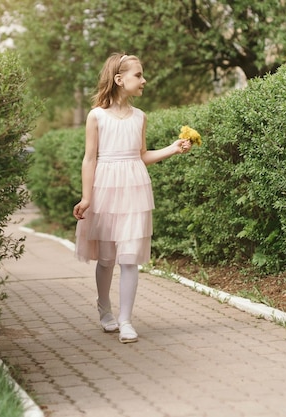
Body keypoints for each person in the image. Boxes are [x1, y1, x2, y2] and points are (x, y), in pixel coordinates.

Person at [72, 53, 192, 343]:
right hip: (105, 188)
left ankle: (126, 320)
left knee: (129, 258)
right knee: (107, 258)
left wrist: (172, 149)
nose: (143, 80)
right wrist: (87, 198)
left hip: (135, 187)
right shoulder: (96, 116)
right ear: (119, 79)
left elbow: (141, 155)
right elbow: (89, 159)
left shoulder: (140, 117)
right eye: (138, 75)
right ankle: (105, 310)